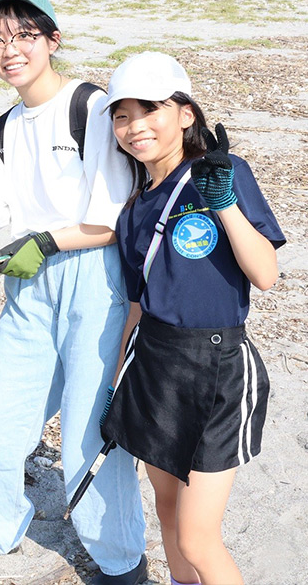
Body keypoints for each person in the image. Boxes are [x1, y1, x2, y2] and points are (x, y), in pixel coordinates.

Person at [0, 0, 147, 584]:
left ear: (53, 40)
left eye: (24, 34)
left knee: (89, 431)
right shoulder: (4, 128)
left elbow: (110, 220)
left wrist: (49, 241)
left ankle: (118, 557)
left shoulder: (92, 106)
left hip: (94, 281)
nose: (9, 50)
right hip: (28, 284)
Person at [100, 52, 285, 585]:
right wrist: (116, 378)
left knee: (197, 537)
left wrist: (223, 201)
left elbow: (266, 273)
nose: (135, 126)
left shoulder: (224, 174)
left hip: (219, 365)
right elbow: (138, 302)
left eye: (150, 110)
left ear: (185, 114)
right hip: (155, 364)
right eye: (122, 115)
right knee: (166, 508)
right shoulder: (134, 209)